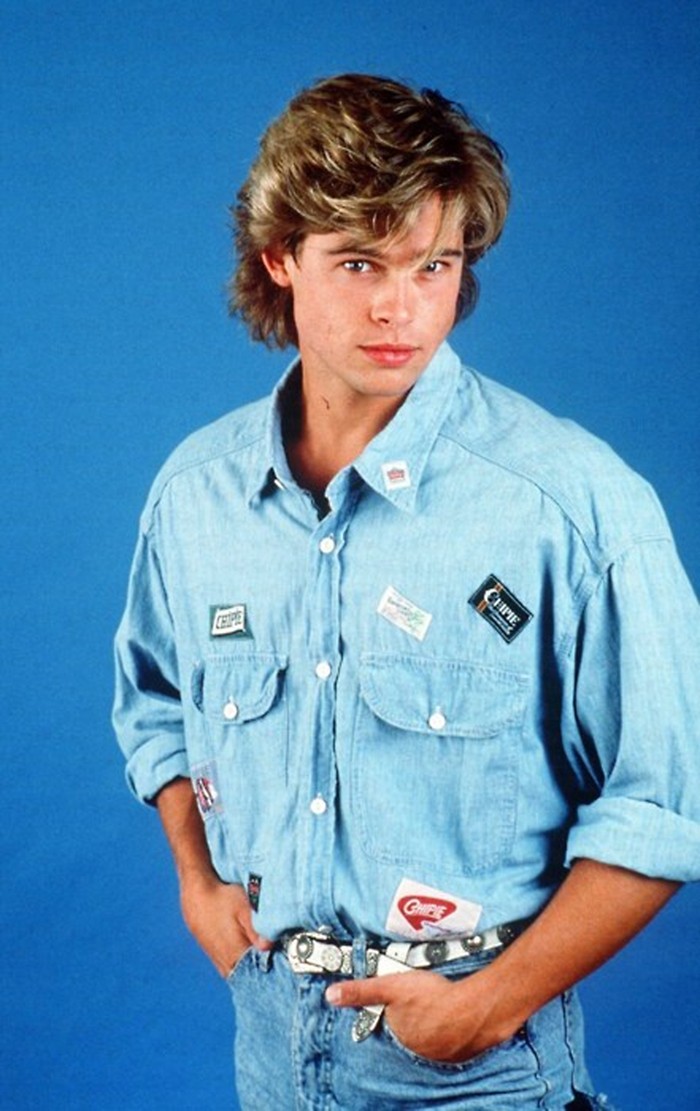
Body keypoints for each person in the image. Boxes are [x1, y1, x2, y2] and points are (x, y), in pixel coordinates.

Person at [113, 74, 700, 1109]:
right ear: (279, 258)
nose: (400, 306)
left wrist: (489, 1005)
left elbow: (668, 800)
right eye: (359, 263)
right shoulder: (195, 496)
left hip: (476, 1065)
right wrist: (197, 882)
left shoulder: (572, 505)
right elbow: (156, 701)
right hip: (271, 1048)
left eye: (434, 264)